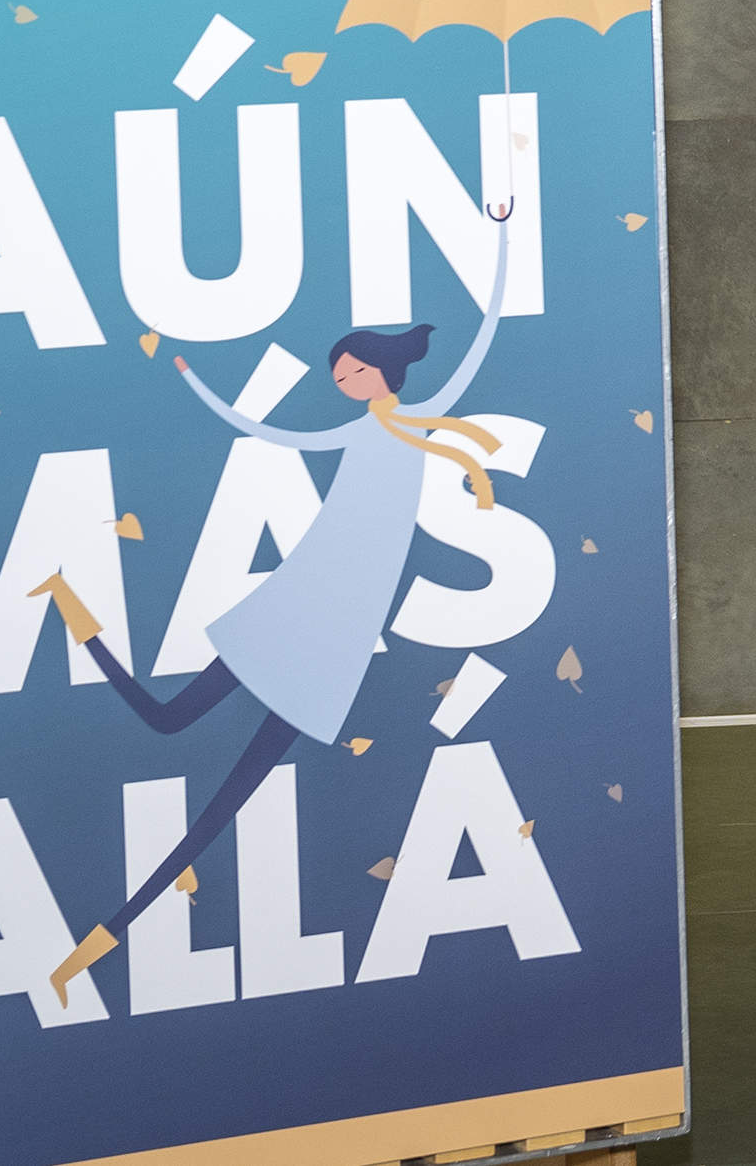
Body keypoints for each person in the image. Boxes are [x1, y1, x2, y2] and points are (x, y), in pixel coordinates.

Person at [32, 221, 512, 1005]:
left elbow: (464, 397)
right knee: (168, 721)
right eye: (341, 372)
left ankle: (97, 941)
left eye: (351, 369)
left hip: (340, 634)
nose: (343, 380)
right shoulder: (364, 427)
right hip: (303, 606)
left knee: (223, 805)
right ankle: (71, 608)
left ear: (380, 369)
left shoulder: (411, 419)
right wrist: (194, 380)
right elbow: (265, 429)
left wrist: (499, 256)